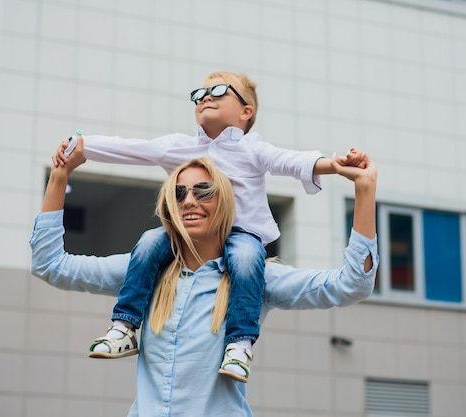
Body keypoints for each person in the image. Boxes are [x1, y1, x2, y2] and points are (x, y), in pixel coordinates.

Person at [31, 137, 378, 416]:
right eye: (179, 193)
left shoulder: (255, 276)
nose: (189, 201)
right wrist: (60, 177)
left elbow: (352, 284)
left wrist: (364, 191)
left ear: (224, 201)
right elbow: (51, 266)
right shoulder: (144, 271)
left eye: (204, 191)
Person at [51, 71, 363, 382]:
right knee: (147, 242)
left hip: (243, 235)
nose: (206, 97)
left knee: (244, 260)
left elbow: (290, 160)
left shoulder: (253, 148)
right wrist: (81, 144)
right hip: (186, 235)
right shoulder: (179, 146)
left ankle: (239, 345)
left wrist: (333, 165)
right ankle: (125, 327)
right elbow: (133, 148)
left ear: (246, 112)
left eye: (219, 91)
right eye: (199, 95)